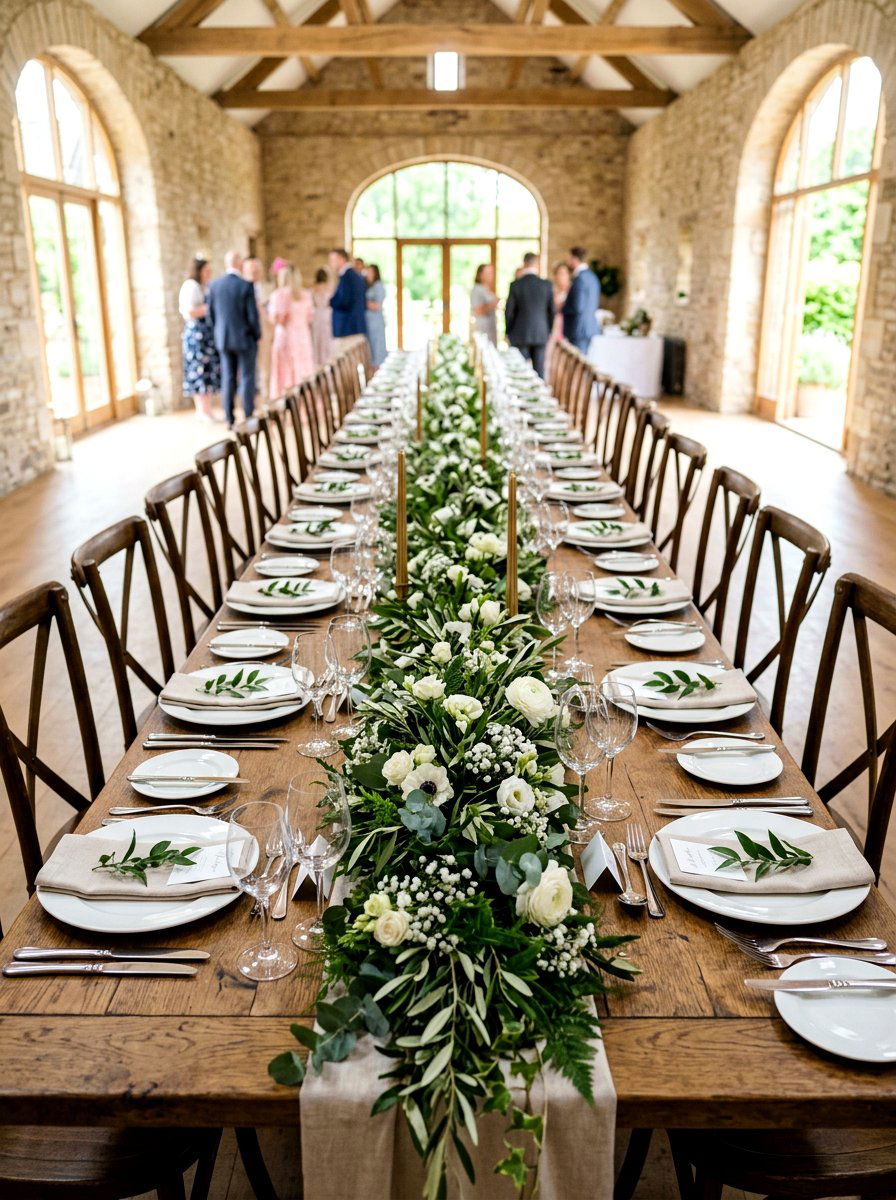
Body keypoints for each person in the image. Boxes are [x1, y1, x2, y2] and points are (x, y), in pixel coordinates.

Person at [207, 249, 260, 426]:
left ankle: (229, 418)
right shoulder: (245, 285)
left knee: (228, 378)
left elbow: (211, 315)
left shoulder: (214, 286)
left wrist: (218, 333)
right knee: (246, 377)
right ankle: (248, 416)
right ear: (239, 264)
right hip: (245, 338)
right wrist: (257, 335)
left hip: (223, 338)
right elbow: (252, 316)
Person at [178, 257, 220, 422]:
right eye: (206, 270)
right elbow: (188, 311)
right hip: (196, 334)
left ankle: (206, 409)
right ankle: (202, 410)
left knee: (207, 370)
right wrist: (208, 309)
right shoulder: (191, 286)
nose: (209, 274)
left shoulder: (205, 286)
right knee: (198, 370)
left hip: (206, 334)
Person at [504, 252, 555, 379]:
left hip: (520, 333)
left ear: (524, 263)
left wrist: (508, 331)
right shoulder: (546, 285)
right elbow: (552, 311)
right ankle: (540, 398)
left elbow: (509, 311)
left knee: (520, 370)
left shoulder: (516, 285)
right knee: (539, 371)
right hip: (540, 333)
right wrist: (548, 330)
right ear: (536, 264)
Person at [267, 264, 314, 397]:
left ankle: (285, 403)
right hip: (303, 338)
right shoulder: (306, 295)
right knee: (303, 371)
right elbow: (310, 318)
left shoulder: (279, 295)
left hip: (286, 336)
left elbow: (279, 320)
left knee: (285, 372)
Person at [242, 256, 272, 403]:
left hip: (265, 334)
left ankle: (266, 401)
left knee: (265, 370)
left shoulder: (267, 289)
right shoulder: (240, 288)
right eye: (251, 269)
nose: (254, 272)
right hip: (246, 336)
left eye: (256, 269)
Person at [562, 246, 601, 354]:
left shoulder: (580, 279)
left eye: (569, 258)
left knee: (578, 364)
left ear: (574, 259)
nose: (568, 261)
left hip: (578, 329)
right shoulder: (592, 277)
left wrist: (563, 307)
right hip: (589, 327)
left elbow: (577, 306)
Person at [328, 248, 368, 351]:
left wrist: (331, 301)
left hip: (348, 328)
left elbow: (344, 301)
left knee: (346, 363)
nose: (331, 263)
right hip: (354, 327)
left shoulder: (347, 277)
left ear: (341, 259)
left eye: (333, 260)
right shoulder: (354, 275)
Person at [544, 261, 570, 379]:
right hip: (554, 328)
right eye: (559, 273)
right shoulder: (551, 291)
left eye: (564, 273)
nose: (561, 276)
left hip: (567, 329)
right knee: (552, 361)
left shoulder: (571, 292)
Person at [364, 264, 387, 369]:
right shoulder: (368, 286)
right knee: (370, 350)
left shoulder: (378, 285)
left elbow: (377, 306)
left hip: (375, 323)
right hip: (369, 323)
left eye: (370, 272)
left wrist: (363, 302)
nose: (368, 274)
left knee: (377, 349)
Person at [470, 263, 498, 345]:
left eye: (492, 273)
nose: (491, 275)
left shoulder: (487, 289)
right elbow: (477, 311)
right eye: (488, 273)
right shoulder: (477, 290)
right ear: (480, 275)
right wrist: (492, 304)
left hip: (490, 329)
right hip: (482, 330)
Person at [310, 267, 334, 367]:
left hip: (316, 317)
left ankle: (317, 364)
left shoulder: (313, 289)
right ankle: (325, 364)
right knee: (326, 342)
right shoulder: (329, 289)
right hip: (326, 316)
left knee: (316, 341)